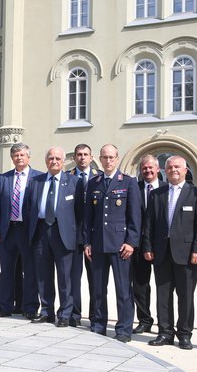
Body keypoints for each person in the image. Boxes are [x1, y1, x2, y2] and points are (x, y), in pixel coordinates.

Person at [142, 156, 197, 350]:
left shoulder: (196, 193)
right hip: (161, 253)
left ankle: (185, 334)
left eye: (177, 167)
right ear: (165, 170)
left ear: (185, 170)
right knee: (163, 295)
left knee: (185, 296)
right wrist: (148, 247)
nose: (173, 170)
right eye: (170, 167)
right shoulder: (157, 194)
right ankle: (165, 333)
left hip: (187, 254)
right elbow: (149, 224)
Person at [83, 144, 141, 342]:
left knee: (123, 289)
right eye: (105, 157)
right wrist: (87, 242)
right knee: (98, 288)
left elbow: (135, 216)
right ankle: (99, 324)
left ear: (117, 159)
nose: (108, 161)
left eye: (111, 157)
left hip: (120, 245)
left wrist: (131, 242)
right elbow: (88, 218)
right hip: (98, 244)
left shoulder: (128, 182)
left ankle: (124, 329)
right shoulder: (94, 183)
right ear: (100, 159)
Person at [26, 147, 82, 327]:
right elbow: (29, 208)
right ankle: (46, 311)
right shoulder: (36, 181)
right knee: (43, 275)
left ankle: (65, 313)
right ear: (46, 161)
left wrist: (79, 237)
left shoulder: (74, 182)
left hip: (63, 233)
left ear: (64, 161)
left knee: (65, 276)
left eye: (58, 158)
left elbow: (80, 213)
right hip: (41, 231)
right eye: (51, 158)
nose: (54, 161)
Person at [0, 142, 42, 319]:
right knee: (6, 270)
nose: (19, 158)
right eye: (16, 155)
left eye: (22, 155)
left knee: (30, 270)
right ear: (12, 158)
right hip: (7, 230)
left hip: (27, 231)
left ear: (28, 157)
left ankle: (30, 307)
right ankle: (4, 306)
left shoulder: (38, 178)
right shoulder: (3, 179)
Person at [132, 154, 164, 334]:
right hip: (138, 245)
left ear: (158, 169)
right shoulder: (134, 188)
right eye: (144, 168)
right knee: (140, 285)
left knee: (163, 286)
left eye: (151, 167)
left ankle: (165, 323)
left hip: (162, 245)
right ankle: (144, 320)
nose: (148, 170)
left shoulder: (168, 189)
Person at [68, 143, 98, 328]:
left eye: (85, 154)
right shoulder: (67, 177)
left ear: (91, 157)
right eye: (79, 154)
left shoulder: (100, 177)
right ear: (74, 158)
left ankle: (95, 316)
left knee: (95, 279)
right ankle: (74, 314)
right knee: (73, 279)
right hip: (73, 235)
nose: (82, 157)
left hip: (95, 237)